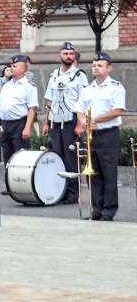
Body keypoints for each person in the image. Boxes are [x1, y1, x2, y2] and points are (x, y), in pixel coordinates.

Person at [75, 52, 125, 221]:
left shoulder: (116, 87)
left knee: (109, 173)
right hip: (91, 135)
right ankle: (96, 209)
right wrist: (83, 121)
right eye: (94, 65)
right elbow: (79, 110)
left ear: (108, 68)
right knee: (93, 173)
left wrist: (94, 119)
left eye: (100, 65)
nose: (95, 68)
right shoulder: (87, 89)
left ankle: (108, 211)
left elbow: (117, 111)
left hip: (108, 134)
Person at [42, 42, 87, 205]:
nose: (68, 56)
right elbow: (50, 100)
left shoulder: (80, 76)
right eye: (65, 53)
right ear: (59, 56)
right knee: (58, 156)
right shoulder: (54, 75)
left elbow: (84, 101)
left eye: (71, 53)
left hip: (72, 120)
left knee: (71, 157)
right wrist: (46, 122)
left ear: (74, 56)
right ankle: (60, 190)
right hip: (55, 119)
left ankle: (73, 192)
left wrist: (81, 124)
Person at [0, 54, 38, 184]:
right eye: (11, 66)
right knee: (8, 155)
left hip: (19, 124)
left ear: (23, 69)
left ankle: (21, 184)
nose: (11, 68)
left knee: (20, 156)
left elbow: (32, 109)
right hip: (6, 124)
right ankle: (10, 184)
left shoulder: (28, 86)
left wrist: (27, 127)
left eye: (14, 66)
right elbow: (1, 104)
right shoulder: (7, 86)